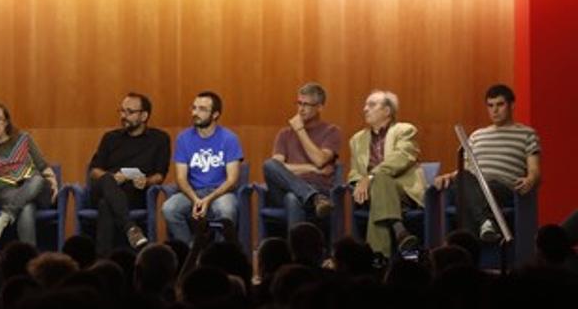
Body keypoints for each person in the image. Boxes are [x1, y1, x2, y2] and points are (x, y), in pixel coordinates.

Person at [433, 84, 541, 243]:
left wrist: (531, 179)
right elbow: (466, 169)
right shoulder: (477, 135)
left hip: (502, 186)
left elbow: (534, 169)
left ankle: (469, 253)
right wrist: (448, 176)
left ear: (512, 105)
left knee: (466, 200)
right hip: (474, 183)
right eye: (490, 106)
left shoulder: (527, 134)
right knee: (464, 181)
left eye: (500, 104)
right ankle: (487, 223)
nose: (494, 110)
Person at [87, 92, 171, 255]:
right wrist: (112, 178)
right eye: (122, 111)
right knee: (107, 182)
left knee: (106, 205)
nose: (124, 116)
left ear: (144, 115)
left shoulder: (160, 139)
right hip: (106, 186)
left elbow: (160, 175)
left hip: (134, 192)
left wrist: (146, 182)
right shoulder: (110, 138)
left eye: (129, 112)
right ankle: (131, 227)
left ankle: (103, 261)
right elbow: (94, 170)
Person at [347, 90, 427, 259]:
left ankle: (378, 258)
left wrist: (370, 177)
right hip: (368, 194)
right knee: (379, 189)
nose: (365, 109)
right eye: (365, 105)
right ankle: (400, 231)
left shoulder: (405, 130)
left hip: (402, 190)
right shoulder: (357, 139)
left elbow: (402, 157)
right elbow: (354, 171)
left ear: (387, 111)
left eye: (372, 105)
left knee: (381, 180)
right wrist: (358, 181)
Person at [162, 91, 244, 245]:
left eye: (202, 109)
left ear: (215, 115)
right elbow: (180, 178)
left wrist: (208, 199)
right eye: (194, 108)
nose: (195, 113)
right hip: (193, 193)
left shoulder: (229, 138)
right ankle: (191, 251)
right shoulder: (183, 138)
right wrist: (196, 200)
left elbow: (232, 180)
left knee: (227, 210)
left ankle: (218, 255)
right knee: (169, 208)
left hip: (221, 192)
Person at [0, 103, 59, 246]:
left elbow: (42, 166)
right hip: (8, 191)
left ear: (6, 122)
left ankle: (6, 216)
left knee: (37, 179)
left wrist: (54, 181)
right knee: (26, 208)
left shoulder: (23, 138)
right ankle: (29, 260)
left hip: (37, 189)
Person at [262, 81, 341, 221]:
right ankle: (312, 197)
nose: (301, 109)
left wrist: (300, 130)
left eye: (306, 105)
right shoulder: (284, 134)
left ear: (320, 107)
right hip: (285, 190)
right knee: (269, 164)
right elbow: (276, 168)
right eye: (299, 103)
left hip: (319, 188)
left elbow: (320, 160)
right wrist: (313, 168)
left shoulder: (332, 131)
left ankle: (297, 243)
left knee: (293, 198)